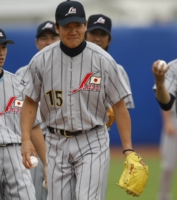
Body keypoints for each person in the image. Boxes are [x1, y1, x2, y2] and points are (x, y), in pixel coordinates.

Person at [20, 1, 143, 200]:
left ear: (85, 25)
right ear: (57, 27)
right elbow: (30, 103)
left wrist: (128, 149)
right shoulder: (40, 61)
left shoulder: (103, 60)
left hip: (92, 139)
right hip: (55, 141)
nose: (73, 31)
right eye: (67, 26)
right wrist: (26, 140)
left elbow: (120, 107)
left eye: (77, 25)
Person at [0, 27, 43, 200]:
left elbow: (34, 126)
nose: (1, 53)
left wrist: (48, 165)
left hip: (15, 154)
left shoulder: (19, 84)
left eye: (4, 47)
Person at [85, 14, 135, 200]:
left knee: (96, 194)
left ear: (109, 39)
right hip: (63, 139)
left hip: (97, 137)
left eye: (102, 34)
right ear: (84, 34)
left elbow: (124, 109)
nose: (97, 38)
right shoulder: (70, 64)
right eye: (93, 33)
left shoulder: (117, 69)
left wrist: (127, 149)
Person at [16, 20, 59, 200]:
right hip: (35, 143)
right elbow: (22, 115)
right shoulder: (22, 74)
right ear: (36, 42)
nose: (48, 42)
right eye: (43, 38)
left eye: (52, 37)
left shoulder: (73, 70)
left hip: (65, 142)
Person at [152, 59, 177, 200]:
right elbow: (166, 102)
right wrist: (167, 122)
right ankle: (163, 197)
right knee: (168, 166)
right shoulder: (173, 67)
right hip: (174, 119)